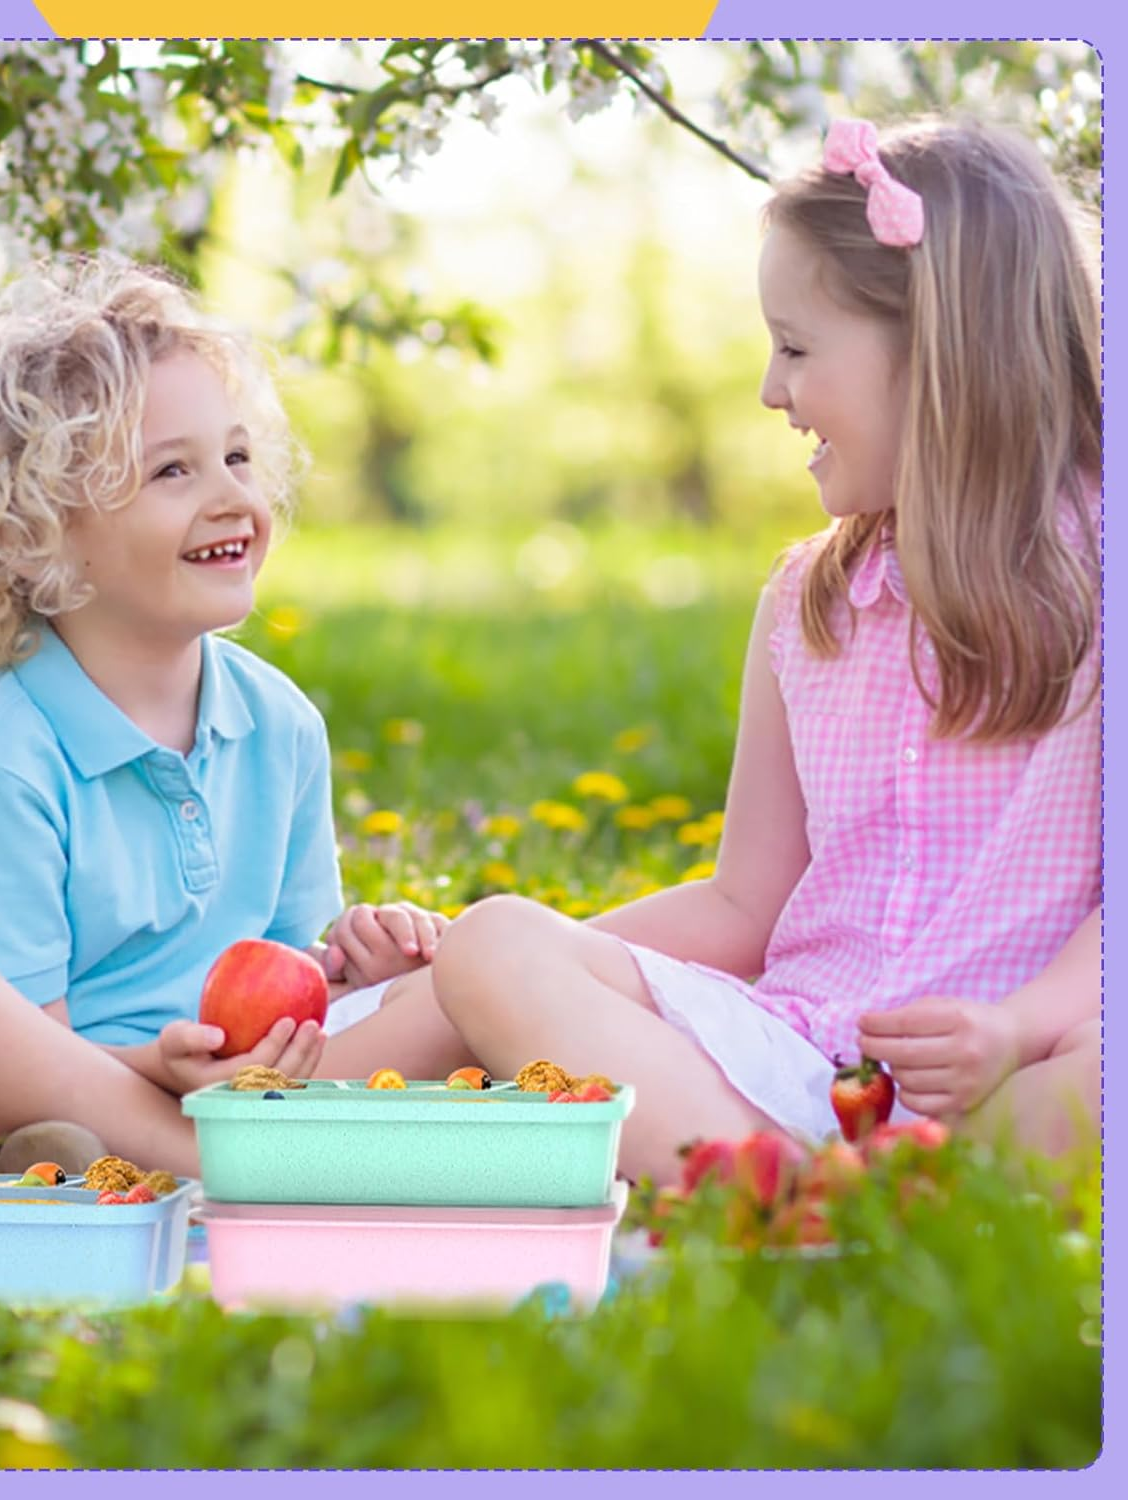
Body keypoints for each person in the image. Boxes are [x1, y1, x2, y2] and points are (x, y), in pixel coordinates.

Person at [432, 117, 1102, 1182]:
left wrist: (1017, 1029)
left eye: (795, 347)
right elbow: (744, 906)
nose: (769, 390)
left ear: (939, 352)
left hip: (1006, 1077)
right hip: (785, 1058)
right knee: (492, 942)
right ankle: (778, 1184)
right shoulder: (809, 601)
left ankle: (857, 1193)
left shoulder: (1102, 578)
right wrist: (518, 961)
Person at [0, 259, 470, 1177]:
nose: (232, 497)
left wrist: (360, 966)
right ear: (38, 530)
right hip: (7, 1100)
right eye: (172, 470)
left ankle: (162, 1163)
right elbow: (18, 1050)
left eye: (237, 458)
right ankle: (196, 1163)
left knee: (482, 968)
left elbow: (291, 979)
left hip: (225, 1089)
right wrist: (154, 1074)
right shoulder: (1, 762)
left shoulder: (278, 724)